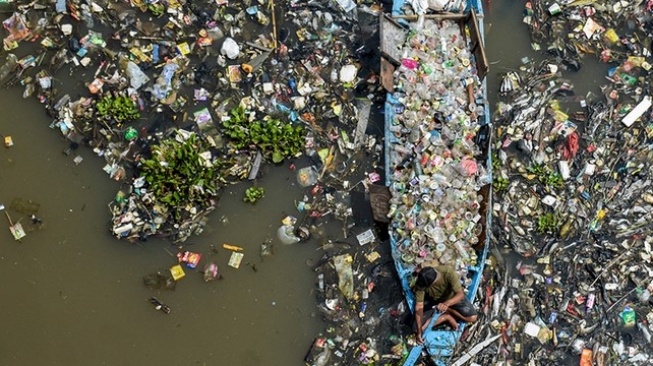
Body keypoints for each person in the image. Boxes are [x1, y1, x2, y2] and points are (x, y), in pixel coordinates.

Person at [413, 265, 478, 344]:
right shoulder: (421, 284)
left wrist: (446, 304)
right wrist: (420, 331)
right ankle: (446, 317)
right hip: (435, 302)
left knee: (472, 318)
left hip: (452, 299)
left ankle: (448, 311)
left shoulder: (447, 272)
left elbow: (460, 294)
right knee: (416, 328)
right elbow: (419, 306)